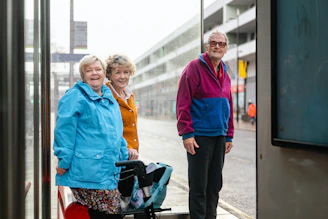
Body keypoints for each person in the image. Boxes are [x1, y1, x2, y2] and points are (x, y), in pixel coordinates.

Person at [53, 54, 128, 218]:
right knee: (108, 213)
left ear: (103, 73)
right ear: (83, 75)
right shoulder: (75, 96)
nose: (94, 73)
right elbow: (64, 131)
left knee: (107, 213)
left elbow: (117, 133)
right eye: (89, 70)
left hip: (108, 170)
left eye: (98, 69)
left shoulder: (110, 99)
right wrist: (64, 161)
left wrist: (124, 155)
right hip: (87, 171)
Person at [176, 30, 234, 219]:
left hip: (219, 135)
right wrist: (186, 133)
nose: (217, 46)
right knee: (199, 186)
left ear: (226, 49)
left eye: (221, 44)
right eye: (213, 43)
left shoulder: (225, 71)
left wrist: (229, 134)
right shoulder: (194, 68)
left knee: (215, 185)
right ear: (207, 46)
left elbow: (228, 104)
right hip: (199, 135)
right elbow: (183, 101)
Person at [105, 54, 139, 160]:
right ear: (109, 75)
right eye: (118, 72)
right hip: (115, 155)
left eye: (126, 72)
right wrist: (127, 148)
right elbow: (108, 130)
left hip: (131, 155)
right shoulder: (105, 96)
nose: (123, 76)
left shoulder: (130, 96)